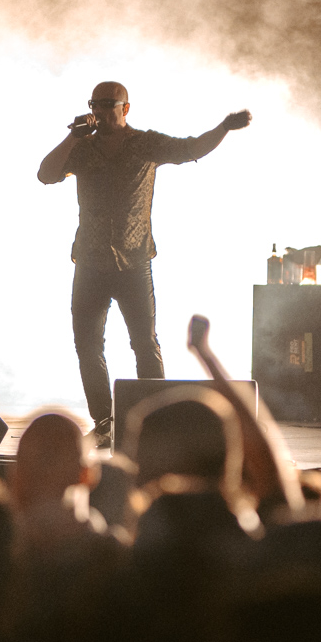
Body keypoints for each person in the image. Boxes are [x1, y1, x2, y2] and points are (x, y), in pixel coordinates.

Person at [37, 81, 251, 446]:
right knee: (87, 345)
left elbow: (189, 149)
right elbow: (45, 175)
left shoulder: (145, 143)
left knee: (144, 343)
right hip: (89, 261)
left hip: (134, 261)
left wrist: (223, 128)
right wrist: (73, 137)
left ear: (126, 108)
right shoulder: (83, 149)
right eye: (95, 104)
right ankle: (104, 422)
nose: (101, 111)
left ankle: (155, 423)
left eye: (109, 105)